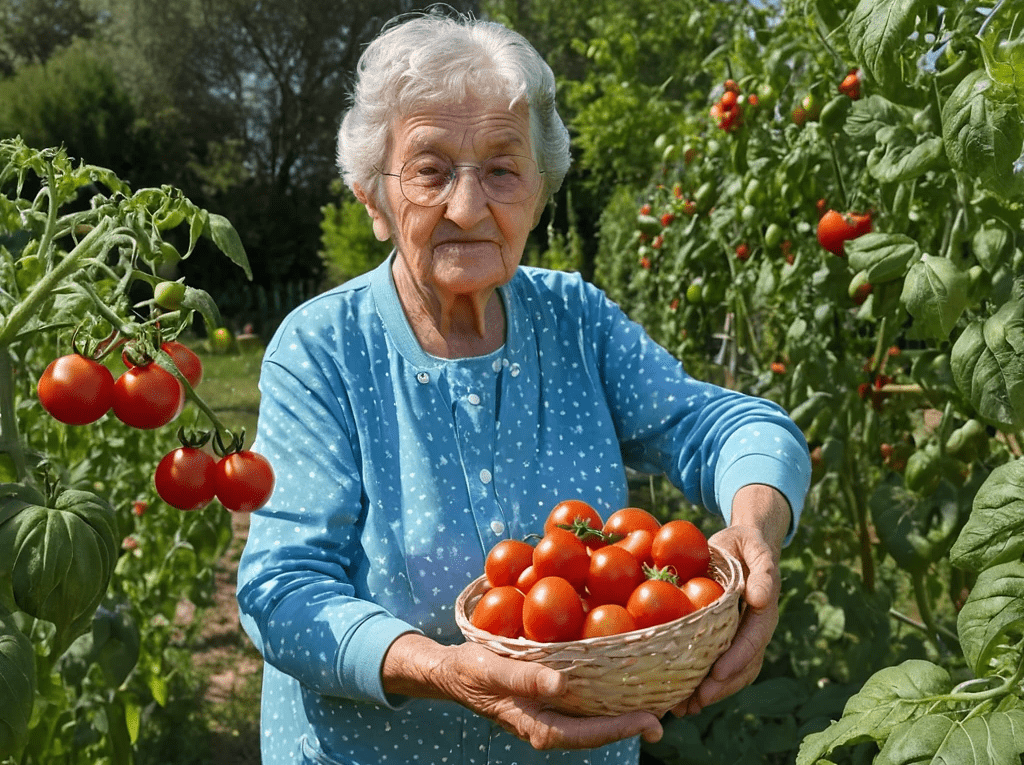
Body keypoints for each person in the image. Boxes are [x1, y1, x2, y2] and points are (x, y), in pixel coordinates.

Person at [236, 9, 812, 765]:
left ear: (539, 192)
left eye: (502, 170)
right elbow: (282, 591)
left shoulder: (575, 319)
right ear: (373, 200)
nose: (470, 208)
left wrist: (757, 531)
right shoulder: (323, 351)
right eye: (431, 169)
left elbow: (730, 428)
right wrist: (441, 669)